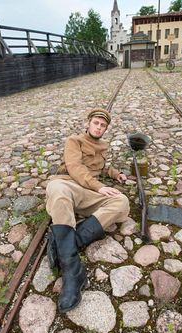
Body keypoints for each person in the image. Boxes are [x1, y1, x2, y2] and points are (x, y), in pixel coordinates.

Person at [46, 107, 130, 313]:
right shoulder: (74, 141)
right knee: (56, 189)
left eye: (103, 126)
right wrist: (99, 186)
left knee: (122, 202)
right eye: (96, 123)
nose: (99, 127)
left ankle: (64, 244)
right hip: (71, 186)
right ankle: (73, 271)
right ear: (88, 123)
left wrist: (115, 174)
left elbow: (101, 168)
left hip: (90, 194)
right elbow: (75, 168)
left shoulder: (103, 146)